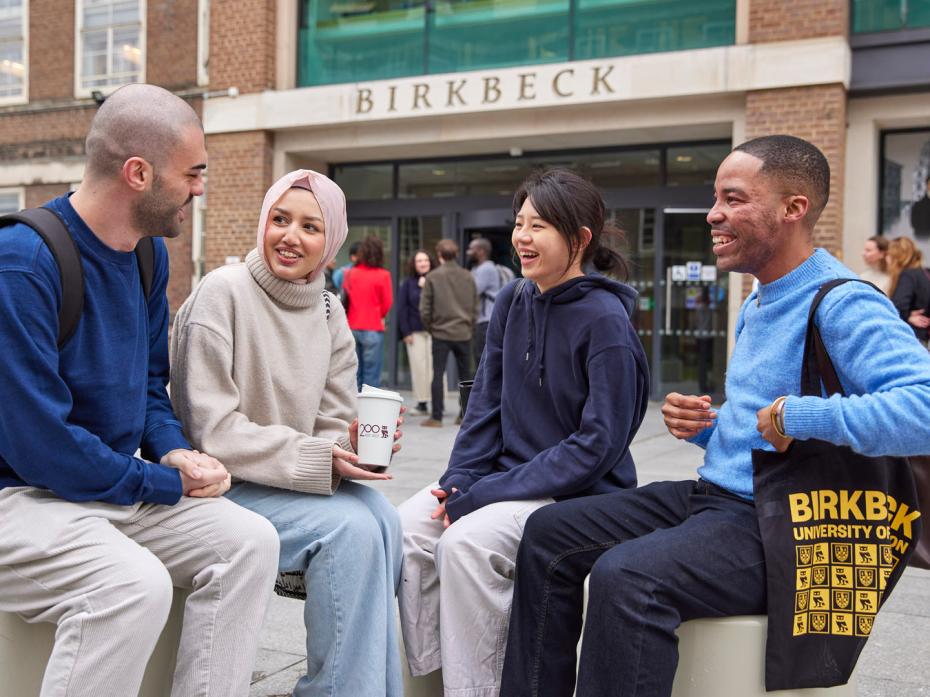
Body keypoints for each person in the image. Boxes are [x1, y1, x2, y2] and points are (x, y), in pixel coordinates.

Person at [499, 136, 930, 697]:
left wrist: (799, 415)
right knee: (548, 533)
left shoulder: (846, 300)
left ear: (793, 208)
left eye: (733, 198)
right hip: (727, 499)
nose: (713, 213)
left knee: (628, 576)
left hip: (791, 525)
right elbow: (763, 431)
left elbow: (922, 406)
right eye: (715, 197)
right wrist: (712, 428)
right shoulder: (760, 298)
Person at [0, 84, 279, 697]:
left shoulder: (147, 256)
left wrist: (172, 448)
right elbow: (39, 446)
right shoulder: (22, 263)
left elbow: (152, 385)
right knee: (131, 585)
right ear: (138, 173)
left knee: (250, 542)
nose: (200, 189)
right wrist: (163, 481)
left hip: (103, 483)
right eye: (194, 173)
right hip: (18, 495)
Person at [399, 168, 650, 697]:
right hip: (503, 480)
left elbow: (598, 445)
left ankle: (481, 689)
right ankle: (437, 676)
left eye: (539, 226)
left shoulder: (606, 321)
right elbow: (484, 404)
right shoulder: (515, 300)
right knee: (408, 527)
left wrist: (485, 494)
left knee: (466, 543)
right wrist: (459, 480)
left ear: (580, 239)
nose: (521, 237)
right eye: (519, 223)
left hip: (576, 496)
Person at [170, 169, 405, 697]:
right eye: (280, 219)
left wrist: (356, 445)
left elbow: (329, 422)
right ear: (263, 222)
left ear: (332, 242)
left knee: (385, 520)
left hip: (282, 481)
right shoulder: (221, 293)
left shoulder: (328, 309)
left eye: (310, 226)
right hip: (219, 484)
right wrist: (319, 456)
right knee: (352, 532)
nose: (290, 236)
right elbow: (210, 427)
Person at [419, 238, 479, 427]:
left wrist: (431, 327)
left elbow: (424, 309)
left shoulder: (433, 276)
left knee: (438, 374)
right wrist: (470, 325)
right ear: (456, 254)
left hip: (441, 333)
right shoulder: (467, 276)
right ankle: (465, 416)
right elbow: (475, 306)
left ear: (439, 255)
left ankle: (436, 417)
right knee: (466, 375)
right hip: (463, 332)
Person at [345, 236, 393, 389]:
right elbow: (387, 303)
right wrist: (381, 316)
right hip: (373, 327)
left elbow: (345, 300)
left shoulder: (350, 273)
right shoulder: (383, 275)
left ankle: (353, 410)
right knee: (371, 376)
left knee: (353, 374)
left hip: (352, 326)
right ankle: (369, 412)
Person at [398, 249, 438, 415]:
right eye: (419, 261)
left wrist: (427, 286)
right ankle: (422, 403)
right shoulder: (407, 283)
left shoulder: (437, 280)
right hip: (415, 331)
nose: (423, 264)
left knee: (436, 368)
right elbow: (402, 309)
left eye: (425, 260)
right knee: (419, 367)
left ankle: (437, 402)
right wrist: (406, 332)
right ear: (414, 265)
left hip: (436, 331)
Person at [467, 236, 507, 364]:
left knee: (482, 358)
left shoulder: (486, 269)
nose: (468, 252)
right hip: (482, 320)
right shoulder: (478, 269)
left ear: (481, 251)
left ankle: (485, 384)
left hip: (486, 321)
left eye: (471, 249)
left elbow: (473, 291)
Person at [888, 235, 930, 345]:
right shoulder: (924, 273)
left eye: (889, 254)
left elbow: (898, 305)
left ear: (896, 257)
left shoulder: (908, 275)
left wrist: (906, 316)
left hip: (912, 337)